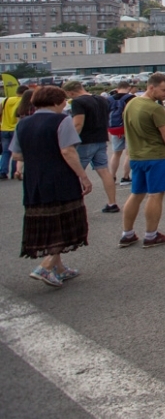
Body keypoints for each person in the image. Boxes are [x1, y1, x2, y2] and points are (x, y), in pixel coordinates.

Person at [10, 86, 93, 287]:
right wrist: (83, 176)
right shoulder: (61, 120)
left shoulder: (23, 123)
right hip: (60, 177)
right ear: (56, 102)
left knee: (45, 221)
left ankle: (60, 267)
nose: (65, 103)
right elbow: (68, 151)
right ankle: (46, 265)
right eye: (63, 100)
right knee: (63, 221)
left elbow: (17, 154)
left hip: (35, 179)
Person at [119, 73, 165, 248]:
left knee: (136, 193)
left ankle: (127, 233)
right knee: (155, 194)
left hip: (136, 156)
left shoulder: (131, 103)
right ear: (151, 87)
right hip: (156, 156)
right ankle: (151, 235)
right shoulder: (155, 108)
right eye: (164, 89)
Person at [64, 81, 119, 213]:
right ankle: (112, 203)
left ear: (71, 92)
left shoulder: (78, 102)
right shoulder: (102, 99)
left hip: (84, 141)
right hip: (101, 138)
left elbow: (78, 124)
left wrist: (69, 142)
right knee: (104, 171)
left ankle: (75, 205)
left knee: (75, 172)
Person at [106, 82, 135, 185]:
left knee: (116, 153)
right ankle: (125, 177)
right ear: (128, 88)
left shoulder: (109, 99)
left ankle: (112, 176)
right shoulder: (131, 98)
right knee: (129, 154)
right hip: (128, 128)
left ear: (117, 88)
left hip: (114, 129)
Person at [1, 84, 28, 180]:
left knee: (5, 152)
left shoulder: (6, 100)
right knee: (15, 151)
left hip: (4, 128)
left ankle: (2, 171)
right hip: (15, 128)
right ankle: (14, 172)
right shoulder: (23, 102)